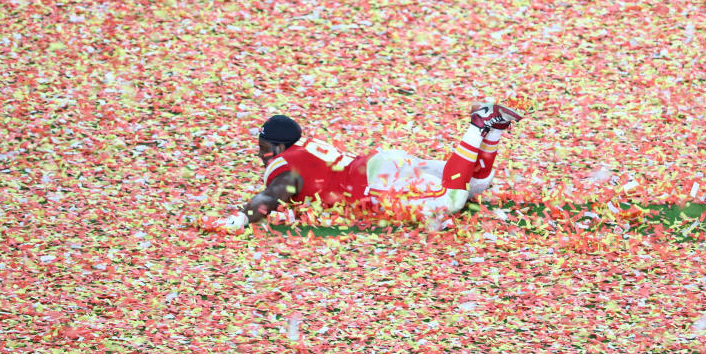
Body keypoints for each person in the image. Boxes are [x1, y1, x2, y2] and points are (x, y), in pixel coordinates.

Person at [200, 102, 523, 233]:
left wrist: (241, 217)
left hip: (371, 184)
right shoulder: (306, 147)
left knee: (452, 200)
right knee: (477, 184)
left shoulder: (286, 165)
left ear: (278, 147)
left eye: (263, 149)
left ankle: (479, 123)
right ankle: (493, 129)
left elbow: (273, 195)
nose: (261, 157)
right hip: (379, 162)